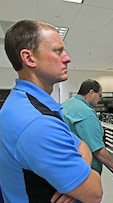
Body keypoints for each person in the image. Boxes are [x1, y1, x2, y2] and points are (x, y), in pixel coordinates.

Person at [0, 20, 103, 203]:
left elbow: (82, 145)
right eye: (58, 51)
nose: (67, 58)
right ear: (29, 58)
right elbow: (94, 192)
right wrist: (80, 179)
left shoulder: (26, 104)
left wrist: (73, 181)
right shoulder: (37, 123)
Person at [62, 79, 113, 175]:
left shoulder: (67, 104)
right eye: (100, 95)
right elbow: (97, 148)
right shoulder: (86, 113)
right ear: (91, 93)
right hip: (84, 169)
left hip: (67, 165)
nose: (100, 99)